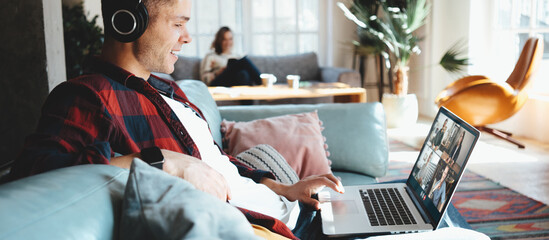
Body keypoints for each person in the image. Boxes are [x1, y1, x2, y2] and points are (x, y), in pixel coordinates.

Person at [7, 0, 343, 238]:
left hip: (296, 212)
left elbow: (218, 160)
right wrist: (163, 161)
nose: (187, 37)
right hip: (268, 229)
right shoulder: (88, 96)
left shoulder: (169, 90)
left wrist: (285, 188)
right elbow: (35, 176)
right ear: (129, 21)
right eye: (178, 24)